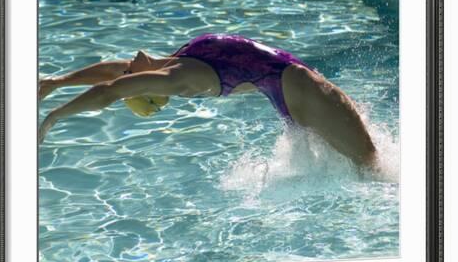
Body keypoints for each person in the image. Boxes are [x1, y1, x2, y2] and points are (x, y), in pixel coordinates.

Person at [39, 33, 377, 166]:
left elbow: (112, 75)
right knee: (370, 165)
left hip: (291, 87)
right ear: (147, 89)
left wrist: (56, 82)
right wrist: (54, 117)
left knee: (361, 161)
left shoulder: (170, 62)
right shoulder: (180, 79)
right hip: (299, 88)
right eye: (134, 80)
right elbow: (110, 91)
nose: (128, 69)